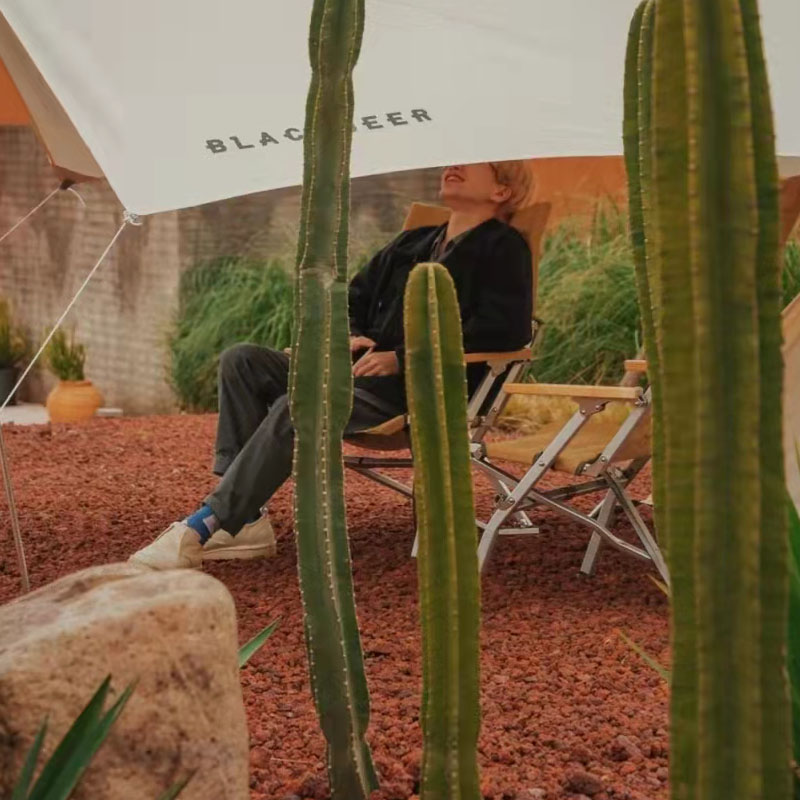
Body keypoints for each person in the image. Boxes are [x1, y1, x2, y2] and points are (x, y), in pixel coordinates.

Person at [130, 161, 534, 570]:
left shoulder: (504, 248)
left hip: (418, 391)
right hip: (354, 374)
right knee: (244, 361)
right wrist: (351, 333)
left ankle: (204, 525)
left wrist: (402, 359)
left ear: (501, 191)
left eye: (472, 164)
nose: (454, 166)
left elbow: (506, 333)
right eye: (452, 161)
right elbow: (350, 298)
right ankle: (247, 519)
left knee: (300, 404)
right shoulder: (414, 241)